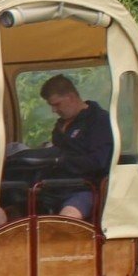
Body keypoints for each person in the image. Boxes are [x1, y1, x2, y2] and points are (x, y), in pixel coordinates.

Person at [40, 74, 113, 219]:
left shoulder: (99, 120)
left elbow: (99, 161)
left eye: (57, 104)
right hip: (53, 187)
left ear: (71, 97)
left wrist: (62, 161)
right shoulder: (60, 125)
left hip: (85, 188)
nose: (54, 111)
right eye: (51, 106)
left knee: (68, 219)